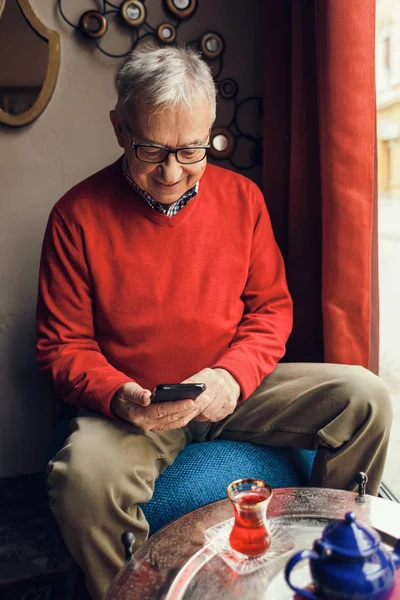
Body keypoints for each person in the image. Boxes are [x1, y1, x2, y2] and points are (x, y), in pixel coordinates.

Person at [37, 43, 392, 600]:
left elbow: (271, 310)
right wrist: (120, 395)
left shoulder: (243, 199)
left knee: (365, 396)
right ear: (119, 127)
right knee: (81, 482)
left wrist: (232, 375)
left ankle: (332, 561)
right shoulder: (75, 217)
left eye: (191, 149)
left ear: (210, 130)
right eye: (151, 149)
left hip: (233, 388)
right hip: (139, 406)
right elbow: (62, 346)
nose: (171, 172)